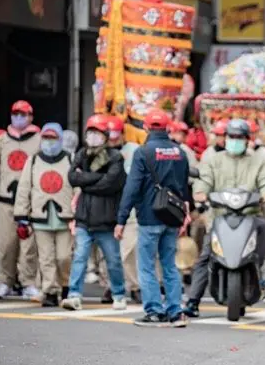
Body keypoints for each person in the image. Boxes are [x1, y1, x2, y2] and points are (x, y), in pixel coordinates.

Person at [185, 118, 265, 317]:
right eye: (232, 137)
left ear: (247, 139)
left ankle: (262, 277)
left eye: (240, 137)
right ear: (225, 139)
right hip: (221, 216)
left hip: (251, 216)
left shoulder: (257, 161)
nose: (235, 140)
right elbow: (204, 179)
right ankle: (193, 300)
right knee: (206, 255)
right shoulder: (213, 160)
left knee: (264, 238)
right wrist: (200, 192)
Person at [115, 109, 191, 328]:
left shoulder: (142, 152)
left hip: (149, 217)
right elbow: (185, 187)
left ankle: (155, 311)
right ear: (167, 128)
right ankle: (176, 312)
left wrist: (121, 219)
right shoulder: (180, 152)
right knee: (169, 264)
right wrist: (184, 216)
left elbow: (131, 188)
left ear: (146, 128)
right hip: (172, 217)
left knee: (147, 265)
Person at [61, 116, 128, 311]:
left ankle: (118, 294)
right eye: (90, 133)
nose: (92, 137)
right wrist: (95, 179)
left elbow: (111, 183)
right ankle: (74, 295)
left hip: (107, 220)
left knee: (113, 260)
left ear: (105, 136)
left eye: (97, 133)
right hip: (84, 218)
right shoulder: (81, 154)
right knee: (80, 257)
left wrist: (86, 180)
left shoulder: (115, 157)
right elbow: (73, 178)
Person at [14, 123, 74, 307]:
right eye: (46, 138)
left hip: (65, 216)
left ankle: (65, 285)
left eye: (53, 138)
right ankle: (49, 290)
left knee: (64, 257)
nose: (49, 142)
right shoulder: (32, 161)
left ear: (60, 139)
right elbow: (24, 189)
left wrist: (78, 213)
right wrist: (21, 215)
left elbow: (78, 188)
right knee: (46, 258)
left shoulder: (70, 159)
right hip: (40, 217)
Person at [0, 100, 41, 300]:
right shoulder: (3, 139)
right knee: (5, 244)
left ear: (30, 116)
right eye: (15, 113)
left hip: (30, 202)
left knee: (28, 245)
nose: (18, 118)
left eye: (23, 114)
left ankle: (28, 282)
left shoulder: (39, 139)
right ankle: (4, 281)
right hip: (5, 200)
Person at [104, 116, 142, 302]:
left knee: (129, 249)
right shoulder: (100, 153)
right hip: (106, 207)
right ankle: (110, 286)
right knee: (108, 251)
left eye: (115, 135)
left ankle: (135, 286)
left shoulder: (134, 151)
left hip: (130, 208)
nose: (112, 140)